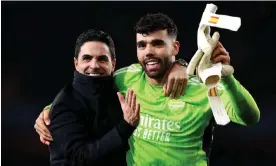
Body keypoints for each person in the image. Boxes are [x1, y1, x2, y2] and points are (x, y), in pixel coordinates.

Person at [35, 13, 260, 166]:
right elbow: (88, 90)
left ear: (175, 47)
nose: (148, 51)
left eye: (157, 44)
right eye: (142, 45)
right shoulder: (127, 78)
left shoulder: (204, 86)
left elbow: (250, 117)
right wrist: (50, 110)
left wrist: (226, 79)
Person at [46, 29, 141, 166]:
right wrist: (126, 126)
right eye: (87, 58)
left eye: (102, 59)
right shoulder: (64, 103)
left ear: (113, 64)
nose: (94, 65)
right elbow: (79, 158)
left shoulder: (120, 90)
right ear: (76, 63)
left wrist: (182, 64)